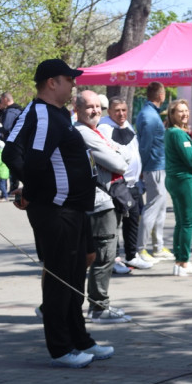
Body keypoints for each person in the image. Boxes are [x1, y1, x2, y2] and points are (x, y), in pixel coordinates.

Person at [2, 58, 114, 369]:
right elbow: (17, 155)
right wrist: (33, 193)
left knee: (77, 274)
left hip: (74, 207)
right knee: (60, 279)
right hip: (56, 209)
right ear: (52, 82)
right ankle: (61, 347)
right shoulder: (41, 114)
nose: (73, 83)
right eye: (69, 79)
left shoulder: (57, 114)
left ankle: (81, 339)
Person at [74, 90, 132, 322]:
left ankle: (60, 306)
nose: (95, 111)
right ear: (76, 109)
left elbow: (125, 154)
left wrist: (116, 152)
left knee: (94, 256)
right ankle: (99, 308)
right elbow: (120, 163)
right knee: (104, 256)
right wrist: (115, 153)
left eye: (98, 106)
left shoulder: (92, 132)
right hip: (99, 203)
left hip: (98, 201)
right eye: (90, 107)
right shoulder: (84, 134)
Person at [100, 97, 151, 271]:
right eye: (117, 110)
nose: (121, 114)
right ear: (110, 112)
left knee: (133, 219)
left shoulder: (127, 125)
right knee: (114, 223)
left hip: (133, 183)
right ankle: (112, 259)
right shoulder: (105, 128)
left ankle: (131, 255)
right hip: (117, 185)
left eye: (123, 110)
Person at [163, 99, 192, 276]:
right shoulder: (177, 134)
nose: (184, 114)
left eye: (186, 110)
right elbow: (190, 158)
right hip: (182, 179)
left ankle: (179, 261)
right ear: (172, 114)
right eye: (180, 111)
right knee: (187, 222)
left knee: (181, 222)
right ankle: (184, 262)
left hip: (175, 179)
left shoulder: (172, 132)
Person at [136, 82, 173, 264]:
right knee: (152, 208)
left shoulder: (149, 113)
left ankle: (157, 246)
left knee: (159, 207)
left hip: (157, 165)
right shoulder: (150, 116)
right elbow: (145, 145)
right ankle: (140, 249)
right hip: (154, 166)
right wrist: (143, 168)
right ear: (161, 95)